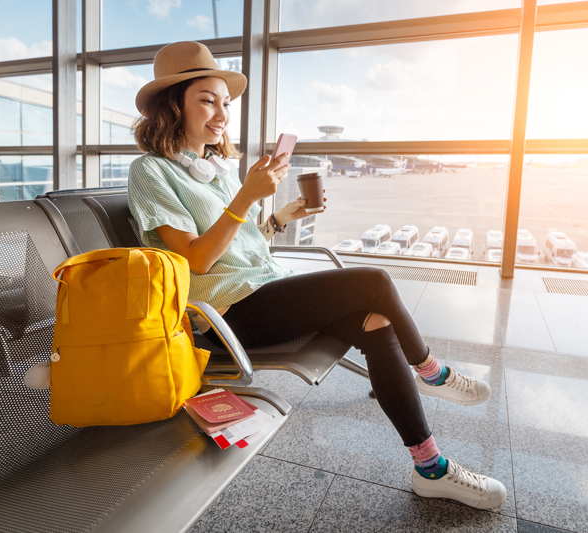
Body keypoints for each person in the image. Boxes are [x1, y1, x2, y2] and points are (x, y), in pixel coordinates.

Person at [127, 41, 506, 510]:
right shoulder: (150, 172)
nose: (222, 113)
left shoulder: (214, 171)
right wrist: (245, 199)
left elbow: (243, 246)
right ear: (172, 107)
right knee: (373, 282)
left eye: (225, 102)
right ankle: (430, 370)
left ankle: (430, 467)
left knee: (375, 319)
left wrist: (280, 216)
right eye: (207, 99)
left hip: (261, 290)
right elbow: (195, 262)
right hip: (225, 317)